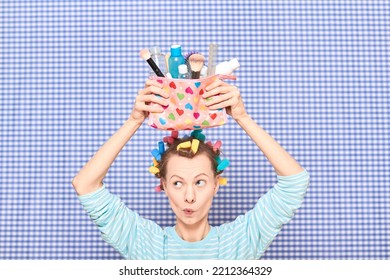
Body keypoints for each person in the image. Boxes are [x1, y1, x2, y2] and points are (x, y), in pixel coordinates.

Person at [72, 77, 310, 260]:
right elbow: (85, 184)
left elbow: (295, 181)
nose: (189, 197)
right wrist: (134, 120)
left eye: (200, 182)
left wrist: (242, 117)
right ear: (164, 186)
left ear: (215, 184)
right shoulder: (143, 242)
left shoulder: (241, 240)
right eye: (177, 183)